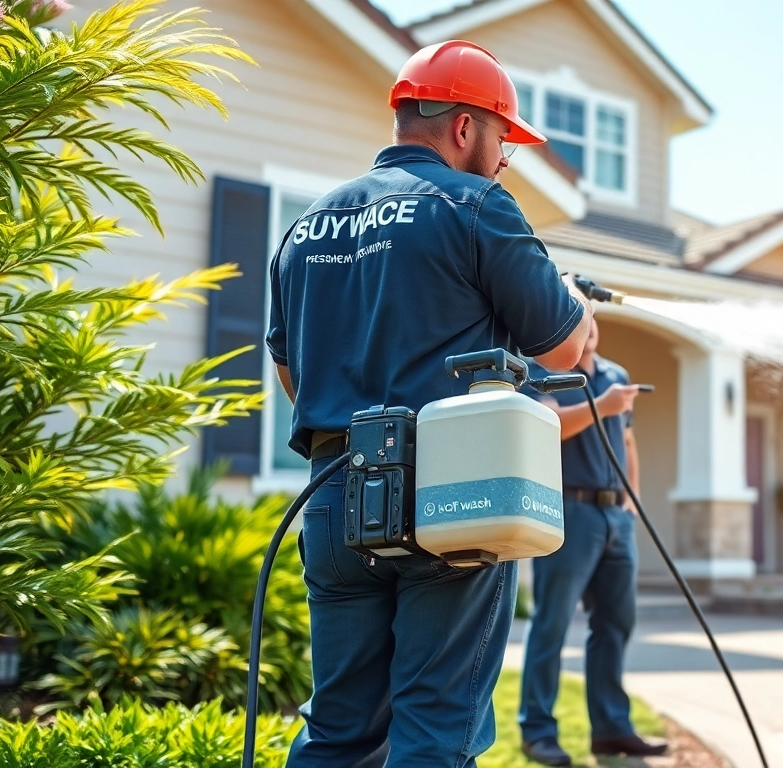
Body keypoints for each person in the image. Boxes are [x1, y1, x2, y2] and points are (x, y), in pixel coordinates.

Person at [266, 40, 594, 768]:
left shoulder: (307, 224)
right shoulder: (477, 205)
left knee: (339, 729)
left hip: (333, 496)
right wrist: (577, 303)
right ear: (466, 127)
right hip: (453, 495)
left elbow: (292, 371)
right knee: (434, 730)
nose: (506, 156)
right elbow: (566, 349)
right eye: (505, 137)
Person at [518, 319, 667, 766]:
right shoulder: (540, 372)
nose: (591, 327)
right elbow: (550, 427)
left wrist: (631, 500)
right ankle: (538, 732)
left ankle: (611, 729)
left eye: (593, 319)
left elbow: (627, 440)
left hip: (614, 517)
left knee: (615, 624)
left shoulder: (616, 376)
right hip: (569, 513)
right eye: (579, 318)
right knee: (553, 625)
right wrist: (602, 405)